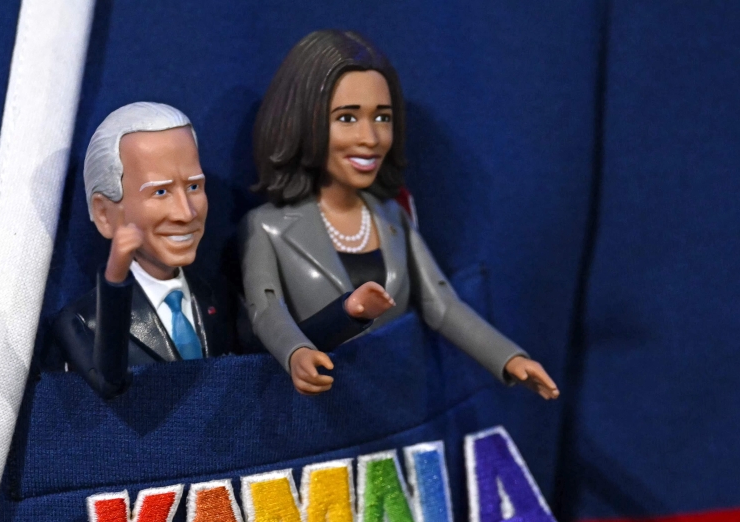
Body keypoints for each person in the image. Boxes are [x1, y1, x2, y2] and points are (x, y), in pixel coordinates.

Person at [241, 30, 559, 399]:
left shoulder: (392, 217)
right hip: (318, 411)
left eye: (382, 117)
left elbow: (441, 304)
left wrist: (507, 358)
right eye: (346, 118)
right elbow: (266, 311)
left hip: (395, 405)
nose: (370, 138)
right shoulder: (267, 227)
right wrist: (295, 352)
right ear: (301, 122)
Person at [53, 102, 232, 399]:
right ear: (105, 214)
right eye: (160, 192)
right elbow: (109, 381)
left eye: (193, 188)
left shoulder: (221, 297)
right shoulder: (83, 322)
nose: (185, 213)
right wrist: (114, 279)